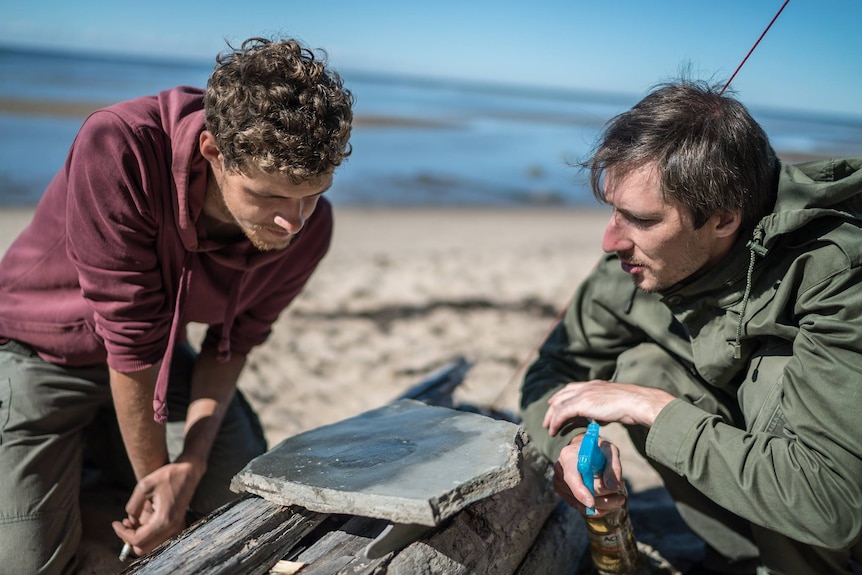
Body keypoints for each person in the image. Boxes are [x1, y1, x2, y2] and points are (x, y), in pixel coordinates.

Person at [0, 36, 353, 574]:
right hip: (39, 351)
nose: (294, 221)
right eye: (269, 195)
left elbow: (232, 344)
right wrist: (158, 483)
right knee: (29, 565)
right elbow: (130, 338)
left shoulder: (310, 227)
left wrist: (189, 463)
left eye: (313, 192)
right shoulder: (120, 146)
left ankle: (97, 467)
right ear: (213, 152)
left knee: (243, 498)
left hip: (159, 363)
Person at [520, 79, 862, 575]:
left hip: (840, 506)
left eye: (639, 219)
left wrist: (654, 410)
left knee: (770, 383)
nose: (609, 240)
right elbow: (555, 369)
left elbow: (834, 503)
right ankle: (742, 561)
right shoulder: (638, 264)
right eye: (612, 209)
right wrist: (568, 447)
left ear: (723, 218)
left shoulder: (838, 268)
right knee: (648, 366)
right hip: (785, 510)